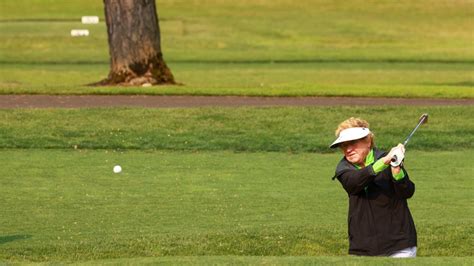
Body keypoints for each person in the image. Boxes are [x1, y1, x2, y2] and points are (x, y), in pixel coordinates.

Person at [330, 117, 417, 257]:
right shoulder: (343, 169)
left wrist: (396, 169)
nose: (348, 149)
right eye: (343, 145)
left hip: (399, 244)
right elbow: (354, 183)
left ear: (368, 141)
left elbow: (407, 191)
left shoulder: (388, 159)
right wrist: (383, 162)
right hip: (362, 246)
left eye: (352, 143)